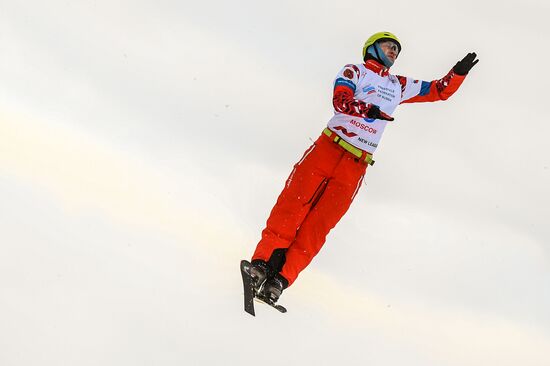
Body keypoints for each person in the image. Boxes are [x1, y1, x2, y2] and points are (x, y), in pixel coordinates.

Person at [248, 31, 479, 303]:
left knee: (319, 226)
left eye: (397, 49)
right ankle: (261, 265)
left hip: (357, 164)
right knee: (293, 207)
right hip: (329, 148)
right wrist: (366, 110)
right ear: (372, 47)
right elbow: (340, 100)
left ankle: (281, 280)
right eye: (388, 45)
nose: (393, 51)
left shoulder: (398, 85)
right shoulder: (355, 70)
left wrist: (458, 73)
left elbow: (439, 91)